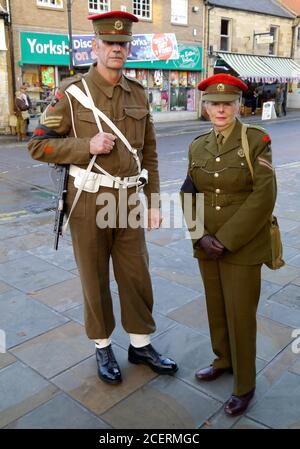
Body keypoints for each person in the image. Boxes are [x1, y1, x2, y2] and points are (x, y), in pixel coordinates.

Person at [28, 10, 177, 385]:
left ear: (128, 49)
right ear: (95, 47)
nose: (116, 49)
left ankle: (141, 345)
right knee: (94, 279)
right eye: (109, 43)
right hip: (88, 201)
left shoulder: (138, 94)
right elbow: (37, 145)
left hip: (128, 202)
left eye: (122, 43)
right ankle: (102, 345)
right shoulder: (72, 92)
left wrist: (155, 203)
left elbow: (151, 155)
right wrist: (85, 145)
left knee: (136, 276)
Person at [181, 74, 277, 416]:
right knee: (216, 308)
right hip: (207, 245)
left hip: (242, 246)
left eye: (227, 103)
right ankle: (223, 359)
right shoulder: (197, 146)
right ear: (205, 107)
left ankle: (244, 384)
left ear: (239, 106)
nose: (220, 110)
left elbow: (264, 196)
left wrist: (225, 239)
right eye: (214, 104)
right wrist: (199, 236)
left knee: (240, 315)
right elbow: (188, 192)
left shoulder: (255, 140)